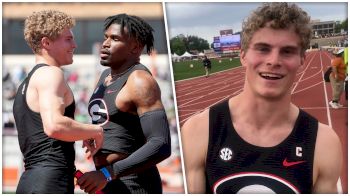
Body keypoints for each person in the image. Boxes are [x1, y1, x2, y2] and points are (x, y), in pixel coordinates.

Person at [181, 3, 342, 194]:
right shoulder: (199, 131)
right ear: (243, 55)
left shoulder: (323, 143)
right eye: (263, 49)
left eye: (287, 51)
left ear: (302, 59)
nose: (274, 61)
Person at [76, 13, 171, 194]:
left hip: (135, 183)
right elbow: (114, 120)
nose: (105, 43)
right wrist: (93, 132)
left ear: (135, 47)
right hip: (110, 181)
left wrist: (108, 173)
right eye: (106, 37)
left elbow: (161, 144)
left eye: (115, 39)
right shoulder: (106, 76)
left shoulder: (139, 80)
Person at [12, 10, 104, 193]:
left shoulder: (28, 82)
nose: (75, 45)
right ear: (46, 43)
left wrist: (81, 132)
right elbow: (54, 126)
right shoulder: (51, 74)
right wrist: (96, 131)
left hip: (31, 179)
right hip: (50, 180)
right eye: (68, 39)